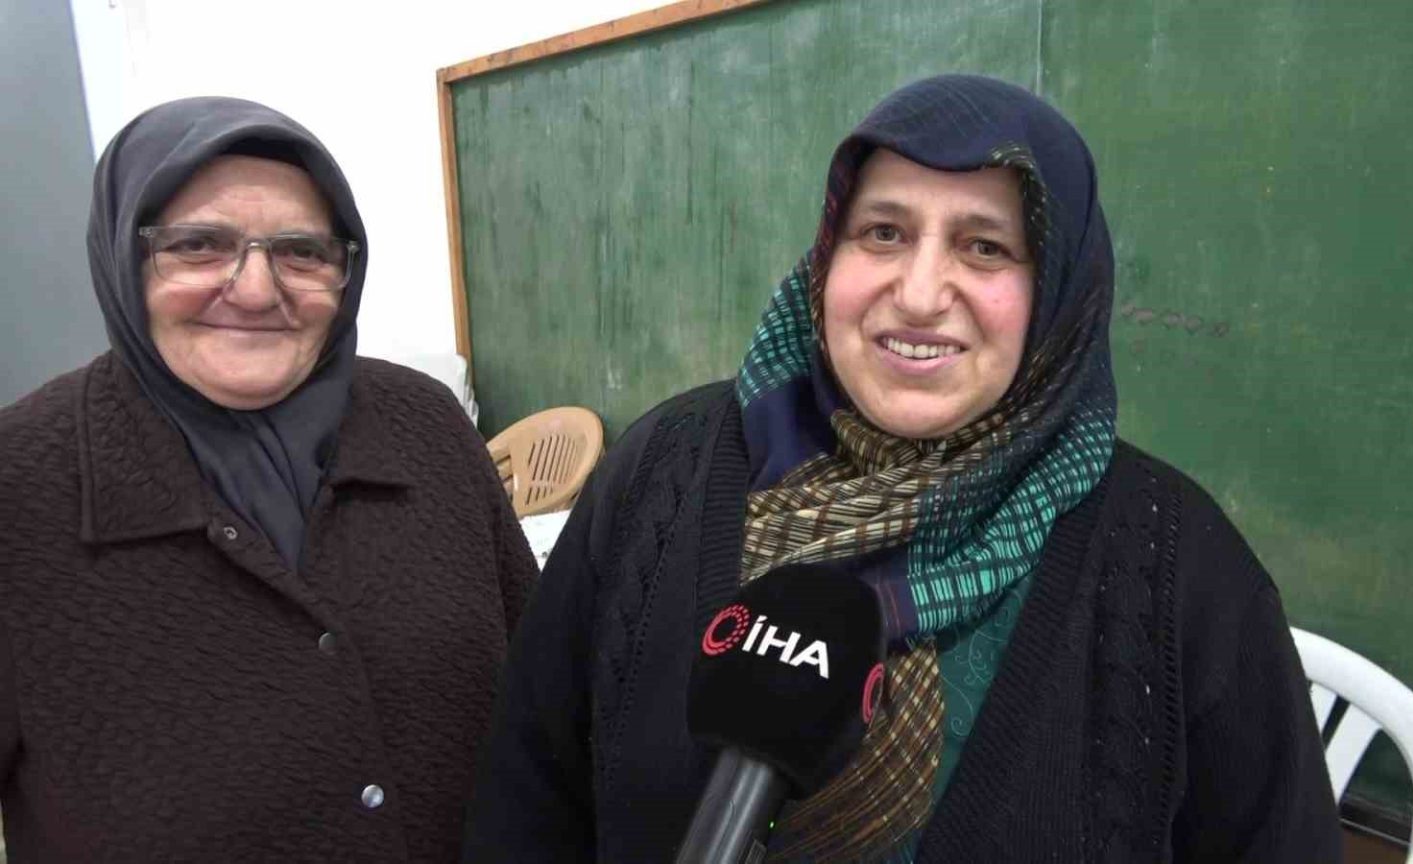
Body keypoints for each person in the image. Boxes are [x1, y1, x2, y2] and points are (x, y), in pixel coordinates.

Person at [462, 75, 1342, 862]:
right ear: (827, 255)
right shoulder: (664, 467)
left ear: (1059, 289)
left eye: (985, 246)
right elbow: (528, 796)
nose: (919, 294)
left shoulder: (1180, 569)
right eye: (882, 232)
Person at [0, 97, 538, 862]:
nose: (256, 289)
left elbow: (542, 690)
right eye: (198, 245)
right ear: (122, 258)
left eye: (302, 252)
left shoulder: (426, 426)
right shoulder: (21, 484)